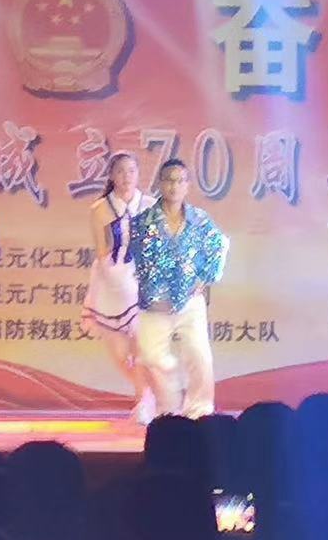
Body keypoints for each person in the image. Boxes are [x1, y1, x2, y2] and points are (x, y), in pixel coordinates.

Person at [128, 158, 228, 419]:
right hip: (155, 303)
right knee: (152, 359)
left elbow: (219, 246)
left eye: (180, 181)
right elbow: (139, 260)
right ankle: (168, 411)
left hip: (190, 301)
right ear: (160, 184)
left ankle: (200, 411)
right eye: (169, 180)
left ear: (187, 185)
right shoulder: (142, 222)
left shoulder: (199, 220)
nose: (174, 186)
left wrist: (204, 278)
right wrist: (155, 291)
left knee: (199, 356)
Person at [84, 151, 157, 423]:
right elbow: (103, 251)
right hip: (111, 280)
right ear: (112, 176)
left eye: (131, 171)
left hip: (142, 281)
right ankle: (147, 393)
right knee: (119, 353)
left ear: (138, 174)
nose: (126, 177)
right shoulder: (100, 208)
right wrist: (117, 279)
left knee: (142, 348)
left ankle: (144, 400)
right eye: (120, 171)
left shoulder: (150, 205)